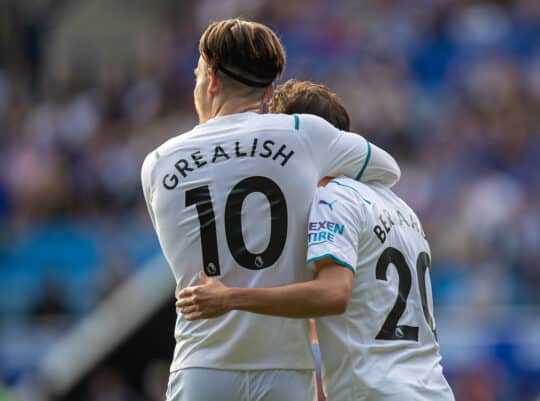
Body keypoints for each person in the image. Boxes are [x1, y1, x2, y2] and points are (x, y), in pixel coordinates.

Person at [140, 19, 401, 401]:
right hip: (285, 370)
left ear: (211, 79)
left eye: (198, 77)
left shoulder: (158, 162)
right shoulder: (302, 132)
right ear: (270, 89)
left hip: (202, 366)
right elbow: (387, 170)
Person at [177, 80, 455, 401]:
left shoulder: (331, 197)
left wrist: (231, 298)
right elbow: (364, 311)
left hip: (376, 393)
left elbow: (334, 294)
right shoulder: (401, 209)